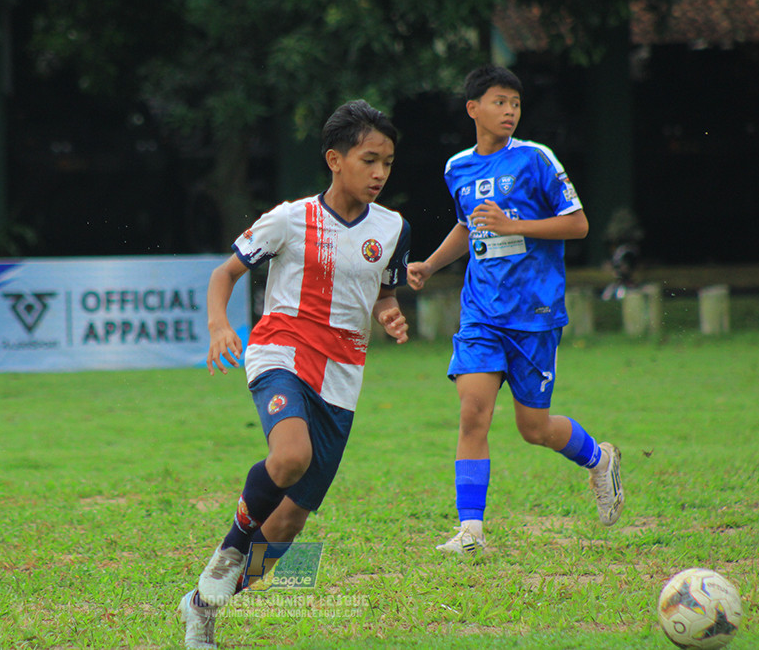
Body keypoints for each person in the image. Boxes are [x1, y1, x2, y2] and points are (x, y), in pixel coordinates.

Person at [178, 99, 411, 648]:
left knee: (286, 527)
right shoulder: (288, 219)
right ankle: (229, 553)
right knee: (289, 456)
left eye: (388, 163)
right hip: (281, 349)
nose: (379, 173)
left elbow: (383, 290)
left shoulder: (394, 228)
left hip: (343, 375)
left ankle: (204, 604)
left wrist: (389, 312)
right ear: (335, 159)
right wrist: (218, 326)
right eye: (368, 159)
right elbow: (224, 273)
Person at [407, 65, 624, 556]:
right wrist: (431, 265)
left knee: (534, 429)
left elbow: (579, 224)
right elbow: (469, 226)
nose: (509, 111)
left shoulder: (535, 159)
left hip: (534, 312)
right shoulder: (456, 167)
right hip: (481, 312)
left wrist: (514, 225)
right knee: (472, 414)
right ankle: (471, 531)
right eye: (500, 102)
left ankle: (599, 459)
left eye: (516, 104)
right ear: (473, 109)